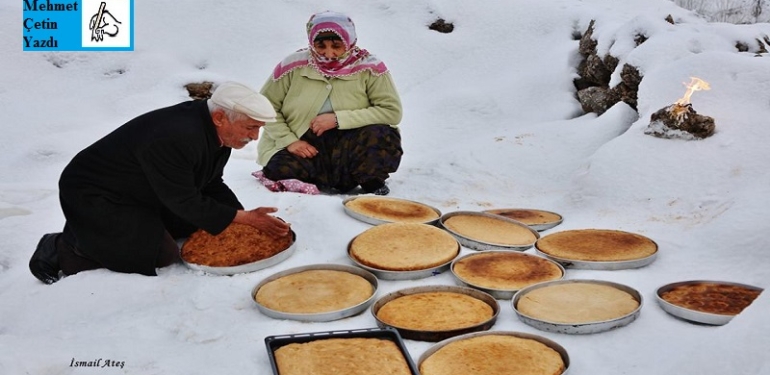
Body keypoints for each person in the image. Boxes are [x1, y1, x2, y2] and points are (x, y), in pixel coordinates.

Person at [29, 82, 292, 285]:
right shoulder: (176, 136)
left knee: (207, 223)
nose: (254, 137)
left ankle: (109, 231)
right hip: (97, 193)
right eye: (250, 128)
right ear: (220, 117)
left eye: (258, 129)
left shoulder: (220, 133)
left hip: (148, 188)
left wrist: (241, 220)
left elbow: (210, 183)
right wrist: (244, 218)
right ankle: (64, 246)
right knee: (158, 254)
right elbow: (184, 200)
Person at [256, 10, 403, 196]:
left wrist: (338, 119)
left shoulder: (370, 68)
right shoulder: (292, 65)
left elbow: (391, 111)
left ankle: (369, 180)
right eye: (320, 46)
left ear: (349, 41)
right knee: (279, 168)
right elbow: (264, 106)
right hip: (303, 144)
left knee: (382, 135)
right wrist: (290, 141)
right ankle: (318, 183)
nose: (329, 53)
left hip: (351, 144)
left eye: (336, 45)